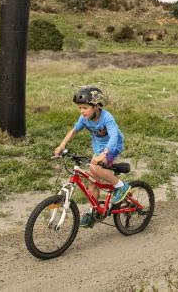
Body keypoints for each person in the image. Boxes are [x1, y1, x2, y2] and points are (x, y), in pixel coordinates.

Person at [54, 86, 129, 228]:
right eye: (79, 108)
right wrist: (62, 145)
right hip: (98, 149)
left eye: (85, 108)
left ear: (95, 106)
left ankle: (121, 186)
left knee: (95, 167)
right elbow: (74, 130)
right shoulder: (84, 118)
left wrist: (104, 154)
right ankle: (93, 211)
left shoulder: (107, 117)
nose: (82, 111)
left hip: (113, 147)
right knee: (92, 180)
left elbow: (113, 136)